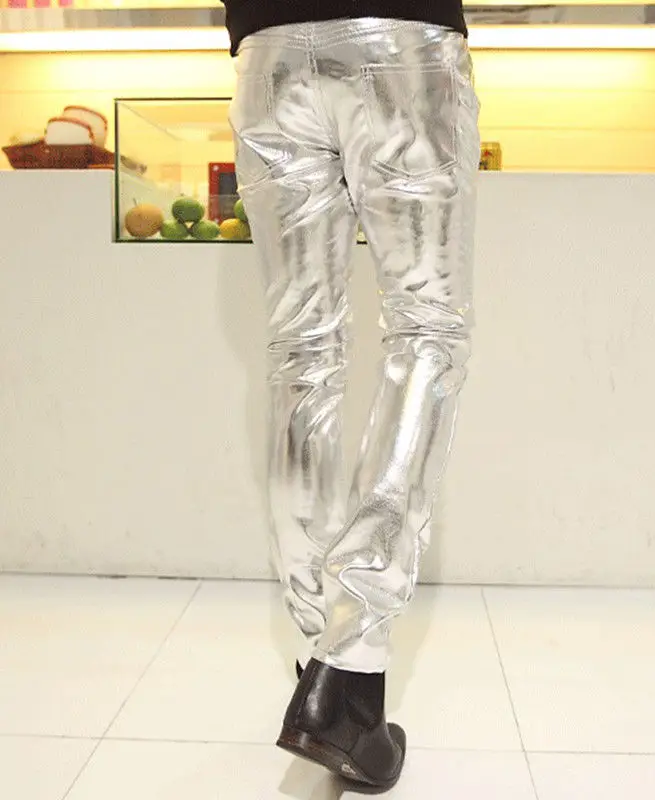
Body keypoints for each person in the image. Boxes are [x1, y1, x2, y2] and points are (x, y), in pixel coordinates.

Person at [222, 0, 480, 790]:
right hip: (400, 40)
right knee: (426, 331)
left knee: (301, 356)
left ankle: (317, 655)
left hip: (266, 55)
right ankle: (348, 666)